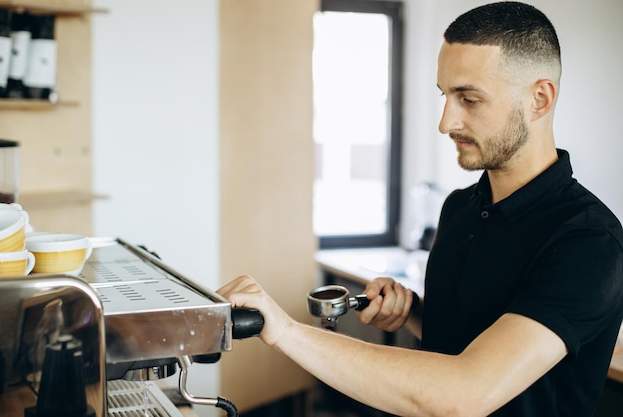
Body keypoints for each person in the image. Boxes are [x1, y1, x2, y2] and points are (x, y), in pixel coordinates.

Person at [217, 2, 623, 416]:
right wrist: (413, 312)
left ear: (539, 99)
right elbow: (467, 335)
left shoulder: (589, 241)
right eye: (445, 96)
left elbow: (464, 393)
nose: (446, 123)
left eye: (469, 99)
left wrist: (285, 330)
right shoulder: (460, 208)